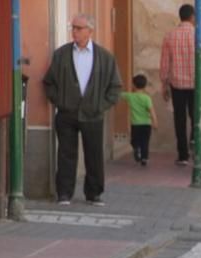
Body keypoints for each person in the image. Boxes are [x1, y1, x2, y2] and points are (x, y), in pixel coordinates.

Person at [43, 13, 123, 206]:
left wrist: (100, 105)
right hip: (67, 113)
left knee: (94, 154)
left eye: (79, 28)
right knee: (66, 154)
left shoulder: (104, 57)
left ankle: (94, 193)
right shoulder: (61, 54)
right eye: (73, 28)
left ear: (90, 31)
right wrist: (60, 101)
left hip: (93, 114)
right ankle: (64, 193)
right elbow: (49, 82)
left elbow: (115, 87)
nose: (75, 32)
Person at [161, 4, 198, 166]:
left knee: (180, 119)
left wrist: (164, 83)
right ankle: (195, 143)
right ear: (192, 17)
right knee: (196, 116)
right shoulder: (200, 35)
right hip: (196, 84)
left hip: (177, 84)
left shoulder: (170, 36)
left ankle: (182, 155)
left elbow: (164, 63)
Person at [121, 74, 158, 167]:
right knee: (145, 141)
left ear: (133, 85)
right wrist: (155, 122)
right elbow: (152, 111)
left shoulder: (130, 96)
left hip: (136, 124)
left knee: (134, 141)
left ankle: (136, 149)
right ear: (145, 85)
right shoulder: (147, 98)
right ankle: (144, 158)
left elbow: (119, 95)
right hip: (146, 124)